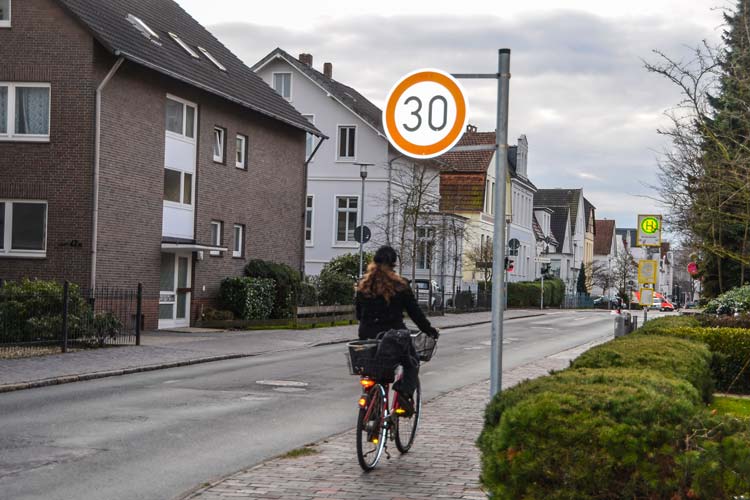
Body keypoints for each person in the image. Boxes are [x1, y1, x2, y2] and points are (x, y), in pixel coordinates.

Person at [355, 245, 439, 416]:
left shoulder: (363, 285)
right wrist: (429, 330)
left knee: (374, 369)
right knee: (412, 361)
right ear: (393, 264)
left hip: (368, 336)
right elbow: (415, 313)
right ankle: (403, 394)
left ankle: (372, 405)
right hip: (394, 336)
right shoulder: (400, 285)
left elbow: (358, 314)